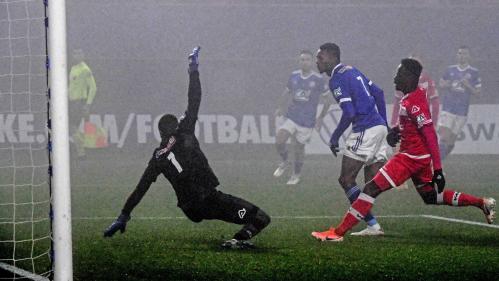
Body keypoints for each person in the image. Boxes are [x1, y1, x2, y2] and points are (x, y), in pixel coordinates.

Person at [311, 58, 495, 242]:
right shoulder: (412, 96)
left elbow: (430, 134)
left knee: (370, 188)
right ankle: (482, 203)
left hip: (410, 158)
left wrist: (438, 169)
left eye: (398, 74)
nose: (394, 79)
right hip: (419, 157)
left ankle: (338, 233)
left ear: (409, 77)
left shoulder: (414, 103)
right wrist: (395, 133)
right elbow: (412, 125)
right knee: (430, 196)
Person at [103, 47, 271, 249]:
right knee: (259, 217)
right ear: (177, 125)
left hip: (191, 209)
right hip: (210, 200)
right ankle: (238, 240)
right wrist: (193, 69)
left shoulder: (158, 156)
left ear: (160, 133)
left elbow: (141, 188)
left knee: (218, 209)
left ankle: (234, 231)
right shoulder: (184, 132)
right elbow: (195, 98)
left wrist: (124, 215)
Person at [315, 43, 389, 236]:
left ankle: (371, 225)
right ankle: (373, 225)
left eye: (320, 58)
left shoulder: (337, 79)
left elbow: (349, 112)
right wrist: (385, 125)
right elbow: (379, 93)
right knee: (371, 183)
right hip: (378, 128)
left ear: (332, 58)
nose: (318, 61)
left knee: (346, 179)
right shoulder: (353, 70)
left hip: (364, 130)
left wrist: (334, 137)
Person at [273, 50, 332, 185]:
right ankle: (284, 161)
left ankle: (296, 174)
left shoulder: (318, 79)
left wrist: (321, 117)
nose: (304, 62)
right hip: (292, 116)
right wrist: (280, 107)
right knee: (279, 140)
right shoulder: (294, 76)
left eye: (307, 60)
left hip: (307, 121)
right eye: (302, 60)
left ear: (312, 62)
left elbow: (328, 100)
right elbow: (286, 92)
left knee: (299, 148)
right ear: (299, 61)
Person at [391, 54, 440, 190]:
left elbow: (434, 100)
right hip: (407, 117)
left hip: (421, 118)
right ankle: (402, 179)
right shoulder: (403, 80)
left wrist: (434, 121)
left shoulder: (426, 80)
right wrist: (393, 121)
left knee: (422, 146)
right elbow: (397, 102)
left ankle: (430, 172)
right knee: (402, 146)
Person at [438, 46, 481, 160]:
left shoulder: (474, 72)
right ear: (457, 55)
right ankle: (436, 166)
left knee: (451, 141)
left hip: (462, 110)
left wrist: (468, 86)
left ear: (469, 56)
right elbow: (441, 84)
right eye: (460, 53)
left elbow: (477, 93)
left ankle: (438, 161)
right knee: (444, 137)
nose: (462, 56)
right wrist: (447, 84)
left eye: (464, 54)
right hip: (448, 108)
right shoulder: (450, 70)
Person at [68, 48, 97, 158]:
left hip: (78, 103)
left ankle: (81, 150)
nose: (77, 55)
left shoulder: (85, 69)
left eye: (79, 53)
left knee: (71, 126)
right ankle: (81, 152)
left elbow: (93, 87)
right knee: (71, 127)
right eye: (75, 53)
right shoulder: (73, 68)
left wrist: (87, 104)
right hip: (70, 103)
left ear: (83, 55)